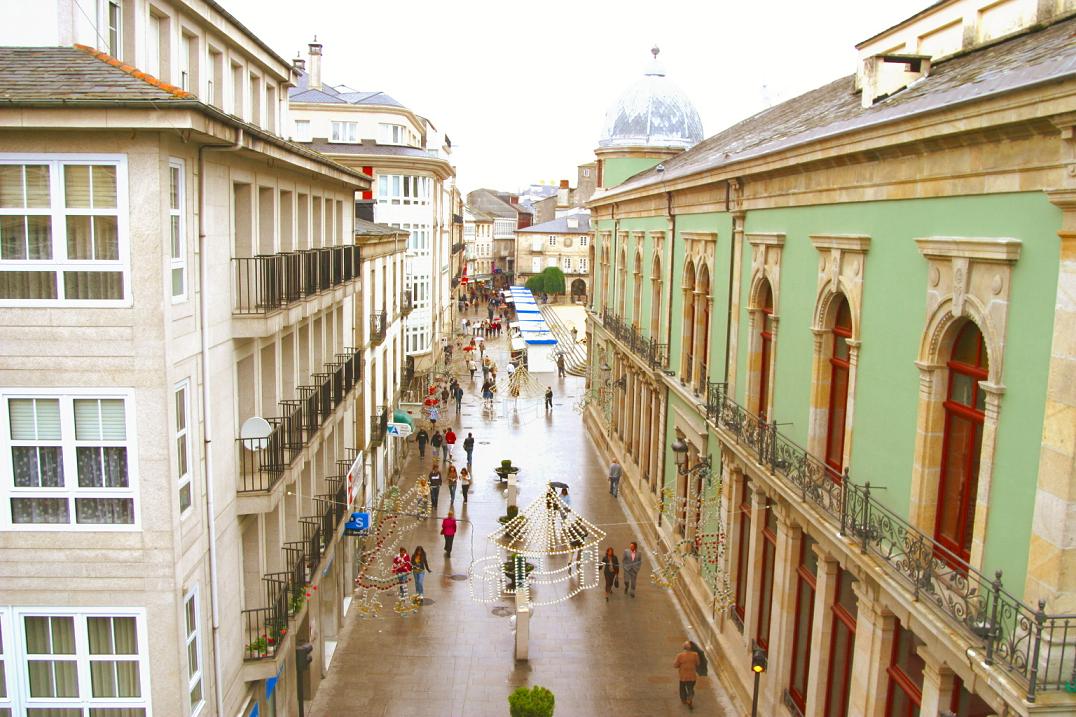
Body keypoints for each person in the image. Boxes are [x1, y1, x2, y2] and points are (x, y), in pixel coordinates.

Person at [674, 641, 701, 709]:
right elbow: (698, 663)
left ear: (683, 648)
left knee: (682, 688)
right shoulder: (695, 655)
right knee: (690, 688)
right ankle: (689, 698)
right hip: (692, 676)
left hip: (683, 676)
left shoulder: (680, 656)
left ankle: (683, 700)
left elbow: (675, 665)